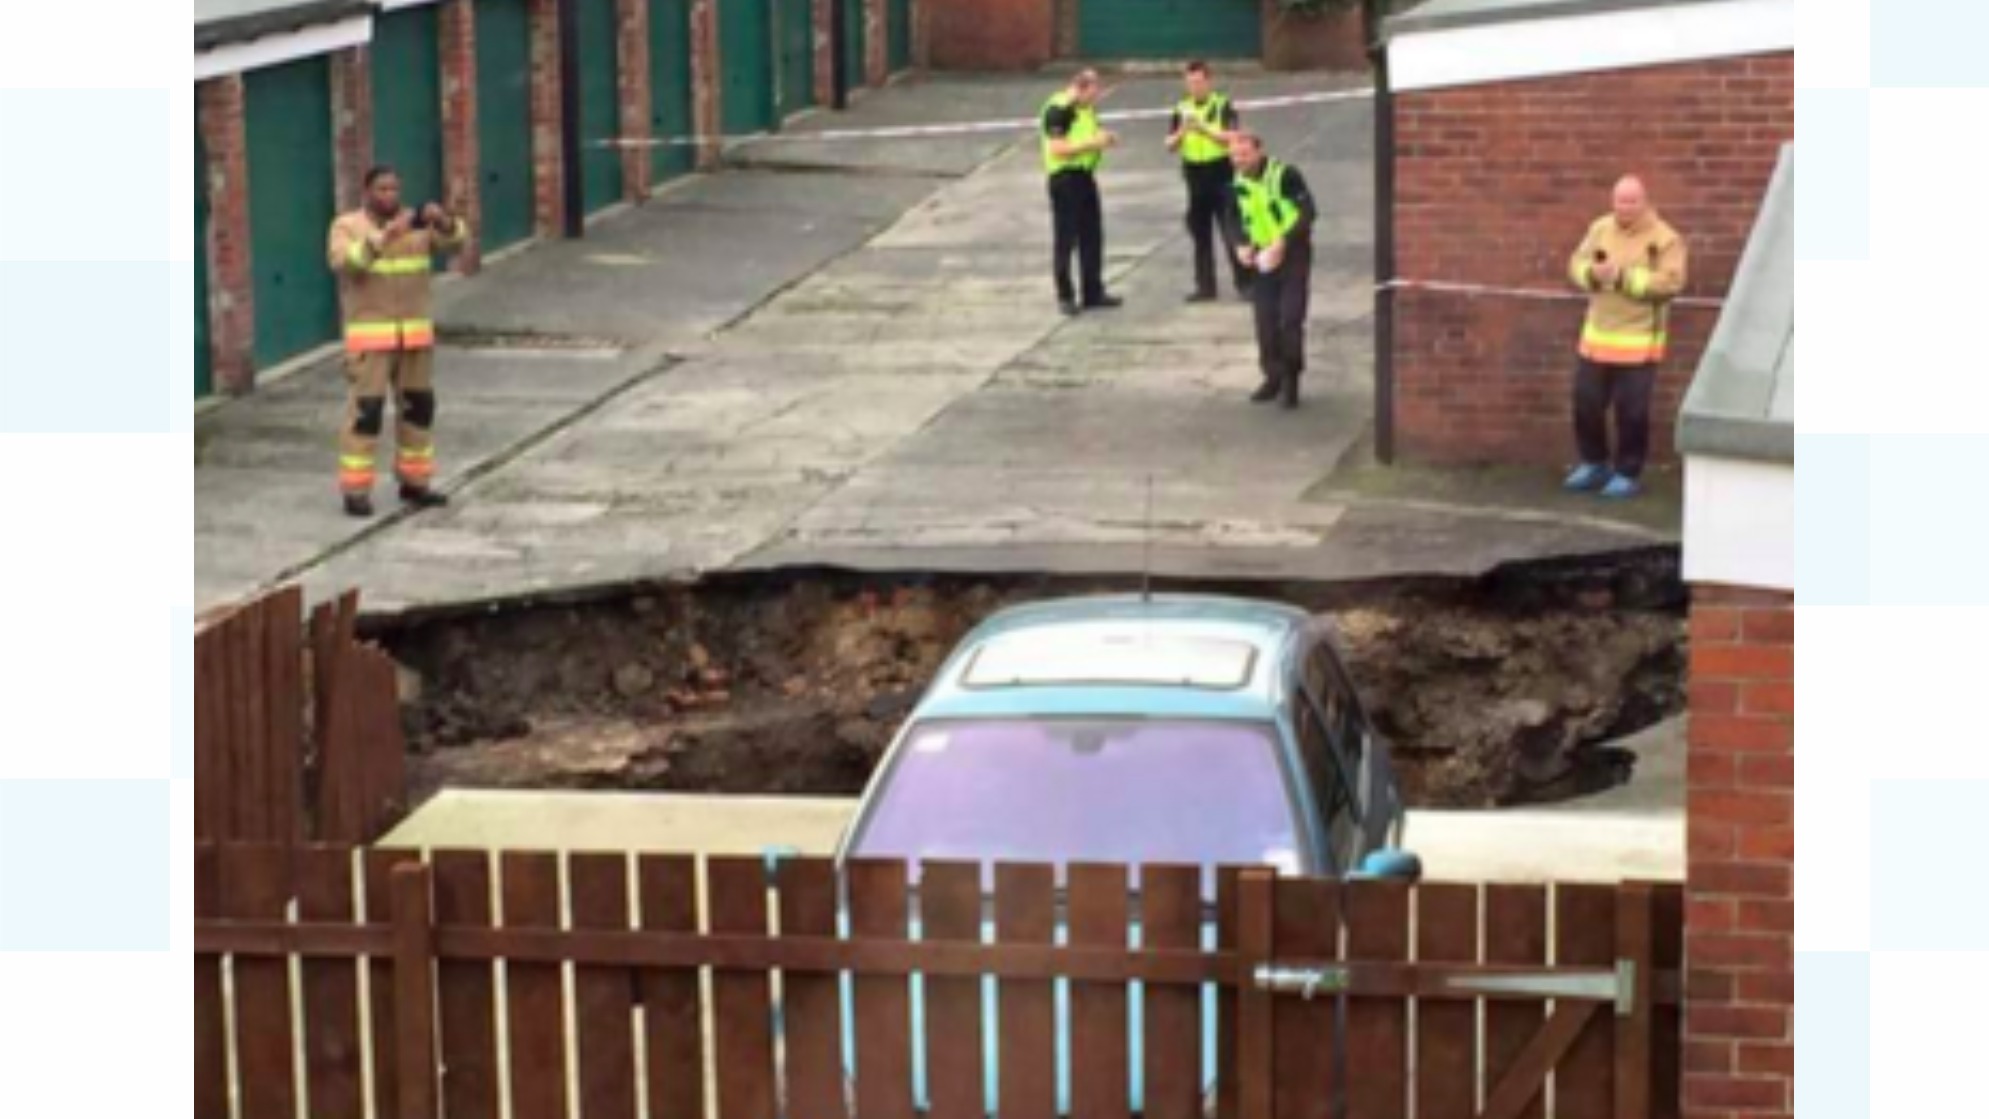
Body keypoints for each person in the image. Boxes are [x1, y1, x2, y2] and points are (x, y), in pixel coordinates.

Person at [325, 166, 468, 518]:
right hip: (371, 340)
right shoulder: (347, 226)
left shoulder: (415, 225)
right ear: (367, 191)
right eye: (382, 189)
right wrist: (382, 238)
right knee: (365, 415)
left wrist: (445, 220)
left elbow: (456, 242)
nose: (389, 195)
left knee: (418, 411)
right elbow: (345, 262)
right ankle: (356, 491)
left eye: (394, 189)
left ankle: (415, 482)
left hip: (415, 337)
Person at [1563, 175, 1687, 500]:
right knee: (1585, 405)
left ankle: (1627, 472)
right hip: (1596, 340)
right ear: (1612, 201)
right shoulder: (1600, 228)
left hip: (1639, 344)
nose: (1626, 207)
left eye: (1632, 201)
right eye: (1620, 201)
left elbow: (1671, 283)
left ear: (1645, 201)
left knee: (1631, 413)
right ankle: (1594, 463)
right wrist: (1592, 273)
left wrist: (1623, 278)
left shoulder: (1665, 238)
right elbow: (1576, 263)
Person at [1229, 132, 1318, 410]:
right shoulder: (1238, 181)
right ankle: (1273, 376)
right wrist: (1240, 244)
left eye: (1244, 155)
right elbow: (1232, 216)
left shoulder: (1285, 175)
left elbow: (1308, 212)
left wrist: (1283, 241)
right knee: (1265, 321)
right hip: (1263, 255)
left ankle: (1292, 380)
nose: (1239, 161)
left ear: (1259, 152)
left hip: (1293, 253)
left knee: (1290, 319)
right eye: (1234, 156)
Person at [1166, 60, 1249, 303]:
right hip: (1195, 175)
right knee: (1200, 234)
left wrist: (1204, 129)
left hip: (1221, 174)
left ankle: (1245, 282)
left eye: (1199, 82)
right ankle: (1205, 286)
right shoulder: (1181, 108)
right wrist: (1182, 131)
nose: (1195, 87)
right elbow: (1169, 144)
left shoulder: (1222, 105)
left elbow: (1232, 137)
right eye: (1190, 82)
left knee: (1231, 230)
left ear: (1208, 81)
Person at [1041, 69, 1121, 317]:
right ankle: (1065, 295)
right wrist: (1093, 144)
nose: (1095, 99)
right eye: (1093, 93)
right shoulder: (1059, 109)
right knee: (1066, 239)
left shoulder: (1086, 109)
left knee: (1092, 235)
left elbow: (1088, 133)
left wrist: (1104, 138)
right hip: (1064, 178)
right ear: (1081, 88)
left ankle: (1092, 291)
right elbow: (1058, 148)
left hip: (1085, 176)